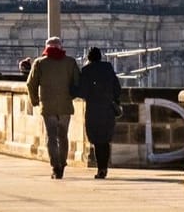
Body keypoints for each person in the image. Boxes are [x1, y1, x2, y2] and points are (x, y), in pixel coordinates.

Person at [25, 38, 81, 179]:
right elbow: (77, 83)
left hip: (48, 105)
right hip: (65, 105)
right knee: (63, 137)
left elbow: (30, 84)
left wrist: (35, 100)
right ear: (61, 47)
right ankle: (62, 163)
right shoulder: (70, 62)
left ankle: (55, 166)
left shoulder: (39, 63)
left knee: (51, 137)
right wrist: (70, 97)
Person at [75, 46, 123, 179]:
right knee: (105, 140)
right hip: (108, 110)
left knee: (96, 140)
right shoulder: (108, 68)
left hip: (93, 111)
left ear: (89, 58)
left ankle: (100, 168)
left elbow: (82, 92)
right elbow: (117, 89)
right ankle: (104, 167)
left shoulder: (86, 70)